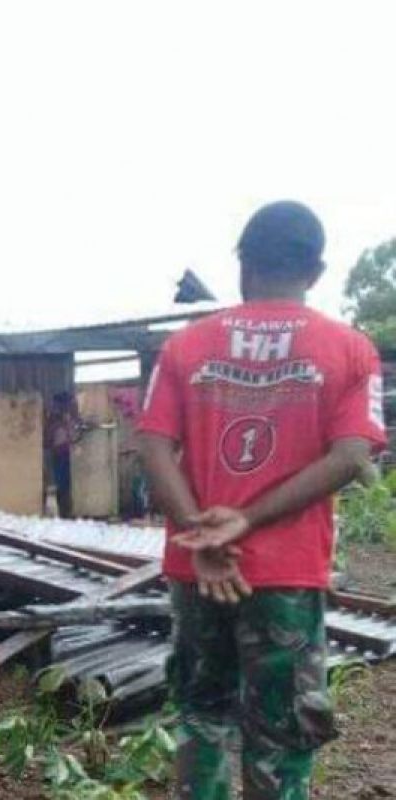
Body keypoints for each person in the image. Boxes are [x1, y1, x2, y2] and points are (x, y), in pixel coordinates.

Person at [137, 201, 386, 800]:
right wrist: (244, 521)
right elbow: (353, 457)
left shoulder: (185, 347)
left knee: (203, 714)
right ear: (317, 271)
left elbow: (151, 446)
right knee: (281, 734)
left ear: (243, 266)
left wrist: (201, 532)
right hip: (286, 575)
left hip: (197, 570)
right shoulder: (350, 350)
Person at [45, 391, 83, 518]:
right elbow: (51, 438)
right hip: (60, 453)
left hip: (64, 452)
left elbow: (74, 434)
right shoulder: (56, 420)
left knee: (65, 484)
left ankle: (66, 510)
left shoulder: (65, 419)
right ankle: (65, 512)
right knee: (63, 484)